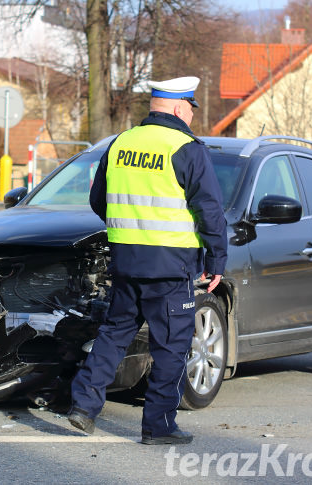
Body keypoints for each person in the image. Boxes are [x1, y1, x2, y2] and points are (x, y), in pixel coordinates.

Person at [68, 76, 228, 445]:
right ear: (177, 107)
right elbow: (210, 211)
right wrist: (216, 260)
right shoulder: (187, 147)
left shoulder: (121, 143)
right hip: (171, 267)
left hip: (126, 260)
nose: (191, 113)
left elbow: (98, 200)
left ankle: (83, 406)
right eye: (190, 106)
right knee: (171, 346)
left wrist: (129, 229)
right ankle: (158, 426)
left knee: (114, 334)